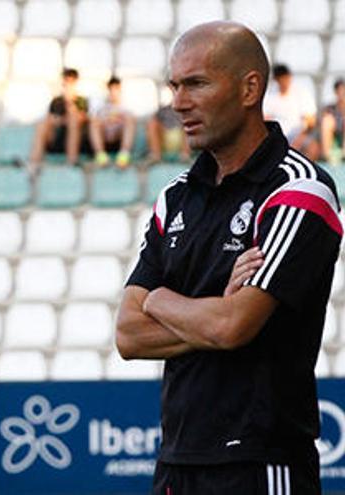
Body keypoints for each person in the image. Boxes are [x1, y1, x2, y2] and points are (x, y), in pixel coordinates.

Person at [118, 21, 340, 494]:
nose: (178, 102)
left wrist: (159, 299)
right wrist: (212, 309)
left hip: (262, 464)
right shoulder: (175, 198)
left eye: (196, 83)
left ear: (249, 88)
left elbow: (233, 326)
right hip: (176, 462)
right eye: (174, 85)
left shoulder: (299, 190)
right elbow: (128, 334)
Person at [30, 68, 91, 166]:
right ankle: (34, 161)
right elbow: (50, 119)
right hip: (58, 137)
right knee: (42, 125)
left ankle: (72, 160)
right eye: (66, 81)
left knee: (73, 120)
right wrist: (61, 120)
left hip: (78, 140)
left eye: (71, 82)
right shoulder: (57, 101)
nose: (68, 85)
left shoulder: (81, 100)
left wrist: (70, 105)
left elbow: (82, 118)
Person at [264, 64, 320, 160]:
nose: (284, 82)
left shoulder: (301, 93)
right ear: (276, 80)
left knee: (313, 148)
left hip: (299, 137)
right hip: (276, 137)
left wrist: (299, 139)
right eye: (280, 79)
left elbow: (310, 121)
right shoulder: (270, 94)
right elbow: (265, 118)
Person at [88, 76, 136, 168]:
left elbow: (131, 120)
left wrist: (117, 120)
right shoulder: (101, 108)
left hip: (118, 140)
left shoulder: (126, 108)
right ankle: (100, 156)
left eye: (116, 89)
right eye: (111, 90)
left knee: (129, 121)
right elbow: (95, 121)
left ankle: (123, 156)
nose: (113, 93)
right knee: (94, 123)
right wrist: (108, 121)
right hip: (105, 140)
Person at [320, 78, 345, 165]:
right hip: (334, 137)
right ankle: (327, 155)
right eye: (340, 91)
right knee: (327, 121)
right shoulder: (330, 108)